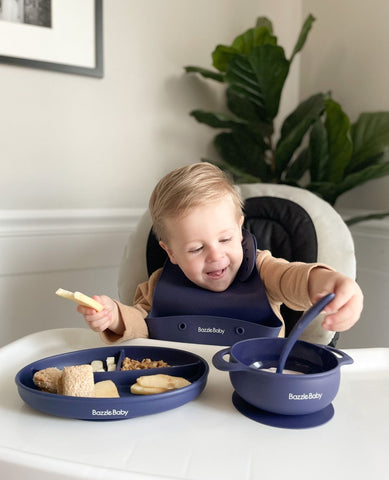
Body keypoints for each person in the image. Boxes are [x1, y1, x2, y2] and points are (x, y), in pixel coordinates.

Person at [77, 162, 363, 344]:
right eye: (196, 248)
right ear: (171, 252)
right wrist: (114, 316)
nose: (215, 256)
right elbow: (141, 326)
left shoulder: (263, 270)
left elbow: (295, 279)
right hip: (182, 391)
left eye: (225, 239)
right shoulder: (159, 285)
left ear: (240, 229)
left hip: (256, 386)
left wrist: (331, 284)